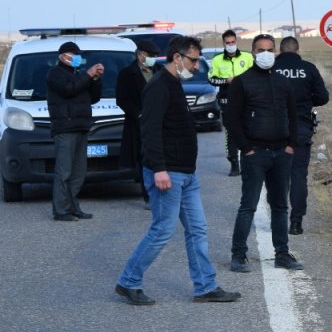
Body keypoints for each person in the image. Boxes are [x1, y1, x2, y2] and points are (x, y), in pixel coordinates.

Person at [115, 36, 241, 305]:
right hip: (168, 173)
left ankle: (205, 287)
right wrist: (159, 169)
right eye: (193, 60)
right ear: (177, 58)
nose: (196, 66)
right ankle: (129, 281)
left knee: (197, 229)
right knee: (162, 230)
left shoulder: (174, 84)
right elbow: (149, 130)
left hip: (186, 174)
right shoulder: (159, 86)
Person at [225, 34, 303, 272]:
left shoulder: (282, 82)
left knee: (280, 206)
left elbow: (293, 115)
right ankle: (238, 255)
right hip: (255, 154)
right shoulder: (241, 82)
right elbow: (231, 119)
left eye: (270, 49)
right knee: (248, 206)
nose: (265, 54)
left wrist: (291, 145)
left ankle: (282, 254)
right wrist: (245, 149)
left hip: (281, 153)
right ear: (252, 53)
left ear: (276, 53)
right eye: (260, 50)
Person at [273, 36, 329, 235]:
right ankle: (296, 222)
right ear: (297, 51)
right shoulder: (308, 68)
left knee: (277, 176)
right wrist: (306, 101)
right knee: (298, 175)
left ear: (280, 51)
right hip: (301, 127)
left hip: (274, 129)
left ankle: (277, 220)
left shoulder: (272, 68)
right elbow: (323, 97)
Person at [45, 41, 105, 221]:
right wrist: (87, 75)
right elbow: (68, 90)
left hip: (81, 126)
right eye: (73, 54)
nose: (77, 57)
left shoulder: (78, 74)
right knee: (64, 171)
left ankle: (73, 207)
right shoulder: (54, 74)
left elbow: (93, 98)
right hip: (65, 128)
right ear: (62, 56)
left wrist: (96, 79)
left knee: (78, 172)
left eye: (78, 54)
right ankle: (61, 210)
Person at [115, 38, 162, 208]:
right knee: (145, 159)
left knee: (161, 157)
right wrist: (138, 114)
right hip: (140, 124)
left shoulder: (159, 70)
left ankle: (163, 192)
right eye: (151, 55)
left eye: (155, 55)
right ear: (141, 54)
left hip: (160, 122)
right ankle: (148, 195)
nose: (153, 58)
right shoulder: (127, 73)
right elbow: (122, 99)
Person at [208, 29, 253, 176]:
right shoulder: (217, 59)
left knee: (249, 129)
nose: (231, 45)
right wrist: (225, 80)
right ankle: (234, 163)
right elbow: (211, 79)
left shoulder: (247, 57)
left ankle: (251, 160)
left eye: (233, 42)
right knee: (231, 132)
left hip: (247, 99)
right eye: (227, 43)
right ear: (223, 43)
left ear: (236, 41)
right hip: (227, 99)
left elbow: (255, 74)